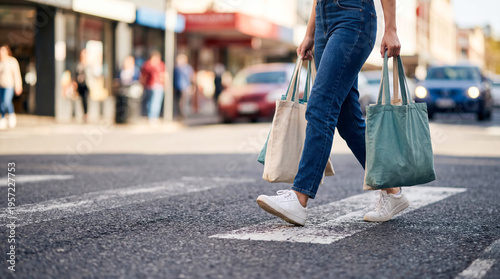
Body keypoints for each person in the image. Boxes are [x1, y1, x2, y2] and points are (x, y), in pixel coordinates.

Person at [257, 0, 406, 226]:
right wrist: (310, 33)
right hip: (323, 20)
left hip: (353, 17)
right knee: (348, 121)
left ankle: (300, 197)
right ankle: (392, 191)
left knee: (320, 105)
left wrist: (391, 28)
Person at [140, 51, 167, 124]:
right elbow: (163, 76)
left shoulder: (147, 64)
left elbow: (142, 76)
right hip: (156, 85)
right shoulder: (159, 65)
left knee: (150, 102)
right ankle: (153, 117)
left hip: (150, 85)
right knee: (155, 102)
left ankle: (151, 116)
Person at [0, 45, 23, 130]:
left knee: (6, 101)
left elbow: (17, 74)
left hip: (9, 85)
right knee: (1, 103)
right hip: (1, 85)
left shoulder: (12, 61)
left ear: (7, 51)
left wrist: (18, 85)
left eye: (3, 50)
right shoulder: (0, 62)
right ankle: (3, 117)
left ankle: (11, 115)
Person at [173, 54, 194, 119]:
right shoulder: (176, 68)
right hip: (177, 87)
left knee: (183, 102)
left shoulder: (188, 68)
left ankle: (183, 114)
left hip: (185, 87)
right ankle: (178, 113)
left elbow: (191, 77)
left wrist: (191, 86)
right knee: (177, 101)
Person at [75, 49, 90, 123]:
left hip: (86, 85)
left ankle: (86, 115)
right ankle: (82, 114)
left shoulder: (88, 65)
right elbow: (76, 74)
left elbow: (90, 75)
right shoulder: (79, 65)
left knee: (85, 100)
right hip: (80, 85)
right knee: (81, 100)